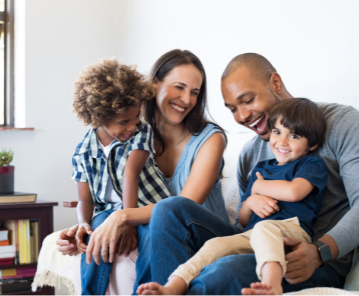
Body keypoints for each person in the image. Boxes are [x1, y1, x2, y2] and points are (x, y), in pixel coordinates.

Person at [137, 53, 359, 294]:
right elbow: (245, 225)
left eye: (247, 100)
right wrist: (250, 201)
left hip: (311, 259)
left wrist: (320, 251)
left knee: (223, 272)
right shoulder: (250, 153)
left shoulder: (342, 122)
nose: (243, 116)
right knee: (169, 208)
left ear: (275, 83)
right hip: (254, 242)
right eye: (232, 109)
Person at [56, 49, 229, 295]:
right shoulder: (129, 133)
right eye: (179, 87)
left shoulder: (210, 140)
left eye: (194, 92)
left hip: (201, 233)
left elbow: (182, 208)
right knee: (103, 226)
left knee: (159, 219)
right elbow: (103, 191)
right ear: (154, 83)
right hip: (154, 224)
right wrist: (84, 228)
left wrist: (122, 216)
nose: (187, 100)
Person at [137, 98, 328, 295]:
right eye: (277, 132)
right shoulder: (261, 168)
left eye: (294, 136)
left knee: (265, 227)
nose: (282, 141)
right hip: (252, 234)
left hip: (291, 232)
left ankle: (272, 284)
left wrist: (259, 187)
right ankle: (173, 286)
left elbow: (294, 192)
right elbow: (244, 219)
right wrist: (252, 200)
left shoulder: (310, 164)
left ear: (312, 144)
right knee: (215, 245)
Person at [70, 59, 172, 294]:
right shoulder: (83, 151)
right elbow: (85, 199)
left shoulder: (141, 130)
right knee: (97, 232)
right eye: (123, 122)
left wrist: (127, 221)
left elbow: (131, 173)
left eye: (136, 116)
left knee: (150, 237)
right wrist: (83, 224)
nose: (132, 125)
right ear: (98, 118)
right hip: (107, 211)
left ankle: (146, 291)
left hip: (148, 207)